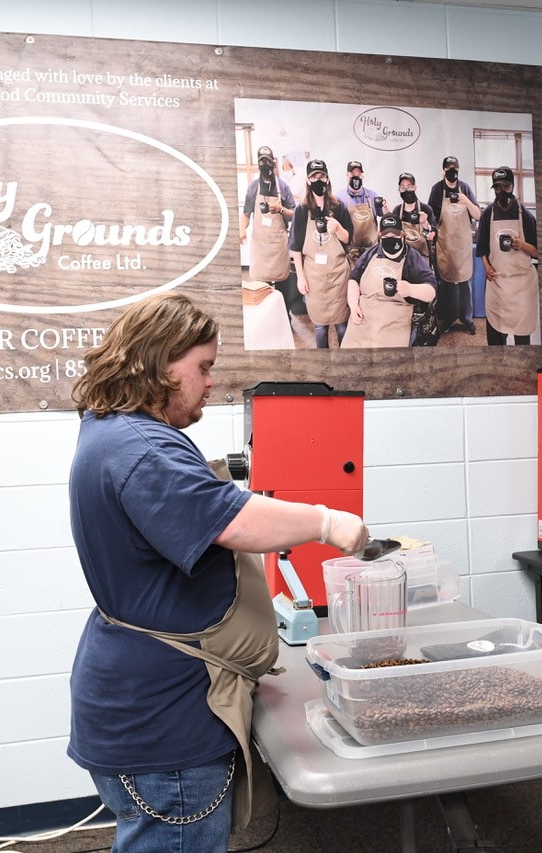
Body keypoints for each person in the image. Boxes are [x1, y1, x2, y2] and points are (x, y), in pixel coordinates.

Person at [66, 292, 371, 852]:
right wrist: (328, 522)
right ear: (159, 362)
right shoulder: (140, 449)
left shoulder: (113, 432)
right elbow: (233, 522)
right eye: (202, 368)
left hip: (141, 700)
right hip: (166, 720)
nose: (211, 383)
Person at [341, 214, 437, 348]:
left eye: (395, 236)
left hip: (394, 321)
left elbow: (431, 291)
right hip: (365, 317)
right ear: (380, 235)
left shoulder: (413, 258)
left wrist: (411, 289)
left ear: (403, 235)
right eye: (386, 237)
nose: (390, 240)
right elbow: (353, 279)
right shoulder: (371, 253)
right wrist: (353, 305)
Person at [290, 159, 354, 348]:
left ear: (328, 178)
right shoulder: (302, 210)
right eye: (314, 177)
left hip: (337, 275)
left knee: (342, 325)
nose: (319, 180)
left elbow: (348, 238)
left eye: (322, 176)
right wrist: (301, 278)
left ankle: (344, 361)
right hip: (314, 277)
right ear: (308, 181)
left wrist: (339, 228)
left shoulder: (338, 206)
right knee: (320, 327)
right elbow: (295, 247)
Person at [476, 167, 538, 346]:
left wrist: (523, 245)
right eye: (498, 188)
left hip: (522, 288)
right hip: (498, 285)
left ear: (513, 186)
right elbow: (481, 249)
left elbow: (538, 252)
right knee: (495, 342)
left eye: (506, 186)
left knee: (522, 341)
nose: (502, 191)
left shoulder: (525, 215)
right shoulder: (488, 214)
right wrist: (487, 267)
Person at [240, 145, 300, 313]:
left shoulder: (283, 187)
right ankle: (265, 321)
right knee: (261, 290)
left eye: (267, 161)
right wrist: (241, 230)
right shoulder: (253, 188)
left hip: (278, 245)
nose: (264, 164)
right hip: (261, 245)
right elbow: (246, 213)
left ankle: (284, 320)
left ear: (273, 163)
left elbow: (294, 215)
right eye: (261, 161)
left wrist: (281, 209)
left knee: (282, 289)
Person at [427, 155, 481, 336]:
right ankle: (449, 317)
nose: (452, 171)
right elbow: (431, 216)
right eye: (448, 168)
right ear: (444, 170)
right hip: (445, 245)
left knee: (465, 282)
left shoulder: (465, 188)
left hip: (463, 245)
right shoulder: (437, 190)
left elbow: (478, 214)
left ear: (458, 169)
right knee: (447, 282)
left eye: (454, 168)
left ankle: (467, 319)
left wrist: (466, 200)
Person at [338, 160, 385, 252]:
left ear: (362, 176)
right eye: (352, 174)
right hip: (351, 252)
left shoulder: (373, 195)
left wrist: (386, 206)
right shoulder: (339, 199)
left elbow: (384, 215)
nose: (356, 177)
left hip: (372, 251)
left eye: (358, 174)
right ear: (347, 175)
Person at [391, 172, 437, 261]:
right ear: (399, 189)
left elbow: (434, 238)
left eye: (409, 186)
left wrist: (425, 224)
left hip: (422, 260)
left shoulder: (426, 209)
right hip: (402, 260)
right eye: (403, 187)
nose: (406, 190)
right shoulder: (397, 211)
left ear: (415, 188)